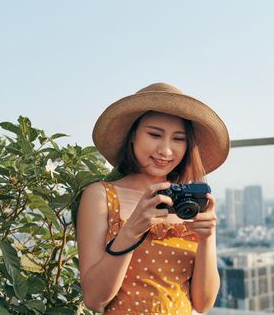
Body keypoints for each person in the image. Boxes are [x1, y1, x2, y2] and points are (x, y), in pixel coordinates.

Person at [76, 82, 230, 314]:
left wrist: (208, 238)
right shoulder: (100, 196)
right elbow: (95, 300)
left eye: (178, 139)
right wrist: (131, 231)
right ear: (132, 136)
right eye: (154, 134)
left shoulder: (189, 201)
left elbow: (203, 303)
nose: (166, 150)